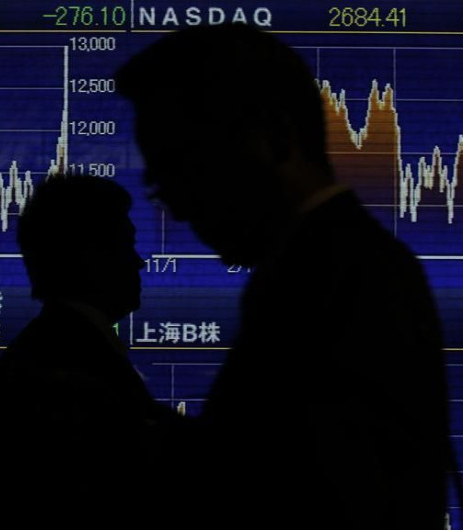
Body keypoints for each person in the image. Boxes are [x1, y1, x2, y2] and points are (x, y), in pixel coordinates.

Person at [116, 24, 452, 530]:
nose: (178, 209)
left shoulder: (335, 278)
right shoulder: (338, 266)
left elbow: (311, 499)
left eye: (183, 169)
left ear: (270, 139)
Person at [0, 175, 181, 530]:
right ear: (88, 256)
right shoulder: (60, 369)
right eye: (126, 245)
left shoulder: (52, 350)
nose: (139, 262)